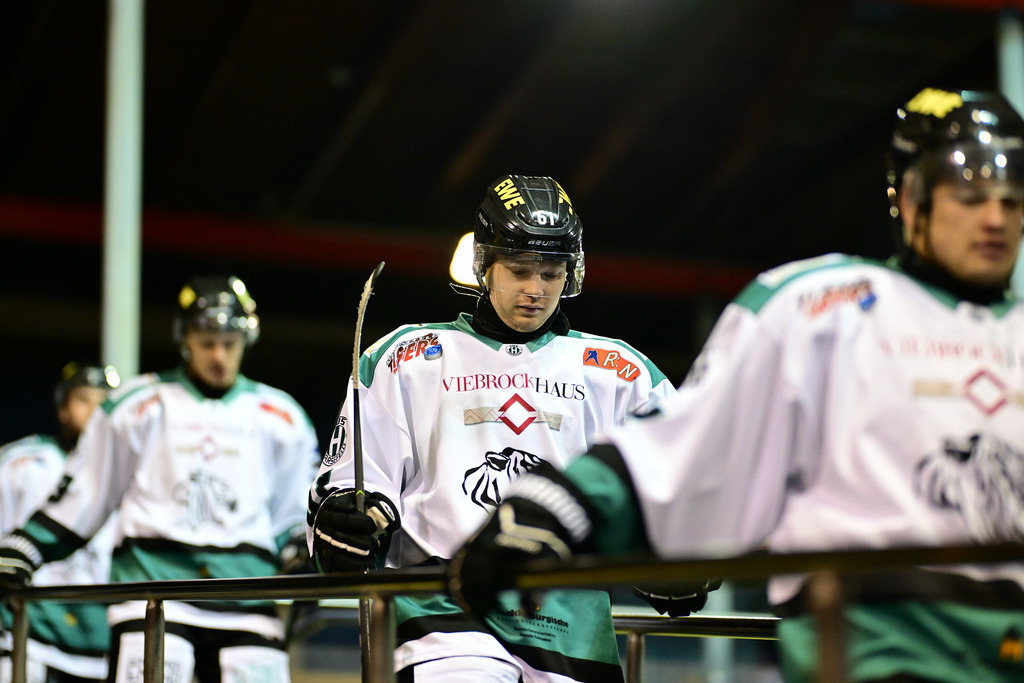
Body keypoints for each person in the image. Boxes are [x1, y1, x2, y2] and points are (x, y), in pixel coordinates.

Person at [448, 88, 1024, 683]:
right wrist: (550, 510)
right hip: (884, 659)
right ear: (911, 198)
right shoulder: (824, 309)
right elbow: (683, 448)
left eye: (1011, 200)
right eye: (971, 197)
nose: (995, 219)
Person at [306, 175, 680, 682]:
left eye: (551, 273)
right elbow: (356, 477)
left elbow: (677, 477)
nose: (535, 290)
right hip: (441, 610)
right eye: (520, 270)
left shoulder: (619, 371)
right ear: (484, 265)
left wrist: (682, 548)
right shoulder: (408, 355)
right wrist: (345, 517)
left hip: (572, 620)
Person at [0, 276, 320, 683]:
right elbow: (85, 492)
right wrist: (26, 546)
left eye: (230, 343)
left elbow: (294, 515)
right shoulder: (135, 405)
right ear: (184, 339)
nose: (219, 354)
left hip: (248, 603)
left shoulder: (283, 416)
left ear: (247, 341)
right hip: (151, 595)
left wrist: (301, 551)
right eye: (207, 342)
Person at [0, 362, 120, 683]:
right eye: (84, 400)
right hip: (28, 633)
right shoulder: (21, 461)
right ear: (63, 409)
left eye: (103, 403)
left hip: (101, 642)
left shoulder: (132, 474)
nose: (95, 412)